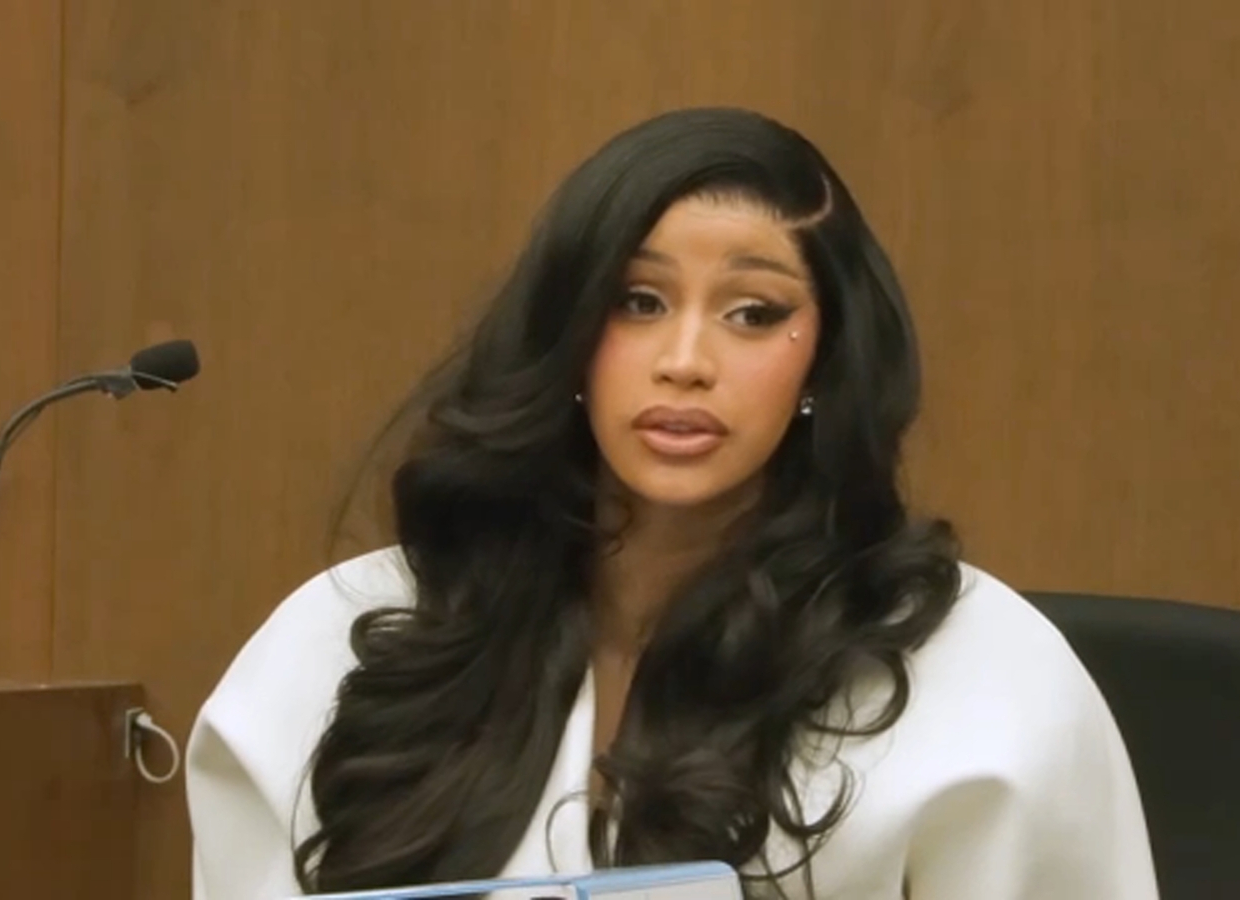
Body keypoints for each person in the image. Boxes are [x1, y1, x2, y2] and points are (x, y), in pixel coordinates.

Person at [184, 107, 1159, 900]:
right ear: (569, 333)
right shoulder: (342, 638)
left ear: (824, 358)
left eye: (753, 313)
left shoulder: (981, 676)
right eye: (638, 302)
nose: (685, 361)